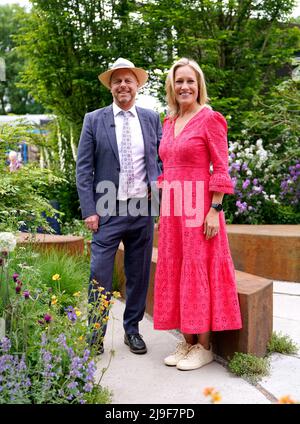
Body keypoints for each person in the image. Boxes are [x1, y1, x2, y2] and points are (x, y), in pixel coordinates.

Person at [153, 58, 242, 371]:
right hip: (174, 209)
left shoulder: (210, 118)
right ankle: (187, 341)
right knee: (177, 268)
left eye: (190, 81)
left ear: (198, 85)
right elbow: (167, 168)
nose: (184, 87)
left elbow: (221, 166)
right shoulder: (169, 121)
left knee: (197, 268)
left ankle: (203, 345)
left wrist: (214, 210)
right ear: (172, 86)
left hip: (200, 206)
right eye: (179, 82)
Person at [76, 58, 162, 355]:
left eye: (128, 80)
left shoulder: (151, 118)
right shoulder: (94, 119)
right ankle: (95, 334)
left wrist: (158, 199)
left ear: (137, 85)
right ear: (110, 87)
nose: (123, 85)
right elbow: (84, 168)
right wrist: (89, 209)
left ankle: (132, 330)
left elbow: (160, 159)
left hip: (142, 209)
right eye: (117, 81)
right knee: (100, 273)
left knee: (138, 273)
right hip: (107, 209)